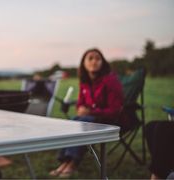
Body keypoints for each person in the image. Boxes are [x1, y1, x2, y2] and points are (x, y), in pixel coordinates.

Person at [49, 48, 124, 178]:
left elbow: (115, 110)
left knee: (83, 123)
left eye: (97, 58)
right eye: (90, 58)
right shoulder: (85, 81)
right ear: (83, 62)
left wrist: (90, 111)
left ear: (102, 62)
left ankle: (72, 163)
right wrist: (81, 109)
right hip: (91, 119)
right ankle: (65, 162)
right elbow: (80, 103)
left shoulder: (110, 80)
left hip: (110, 120)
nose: (94, 61)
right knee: (73, 121)